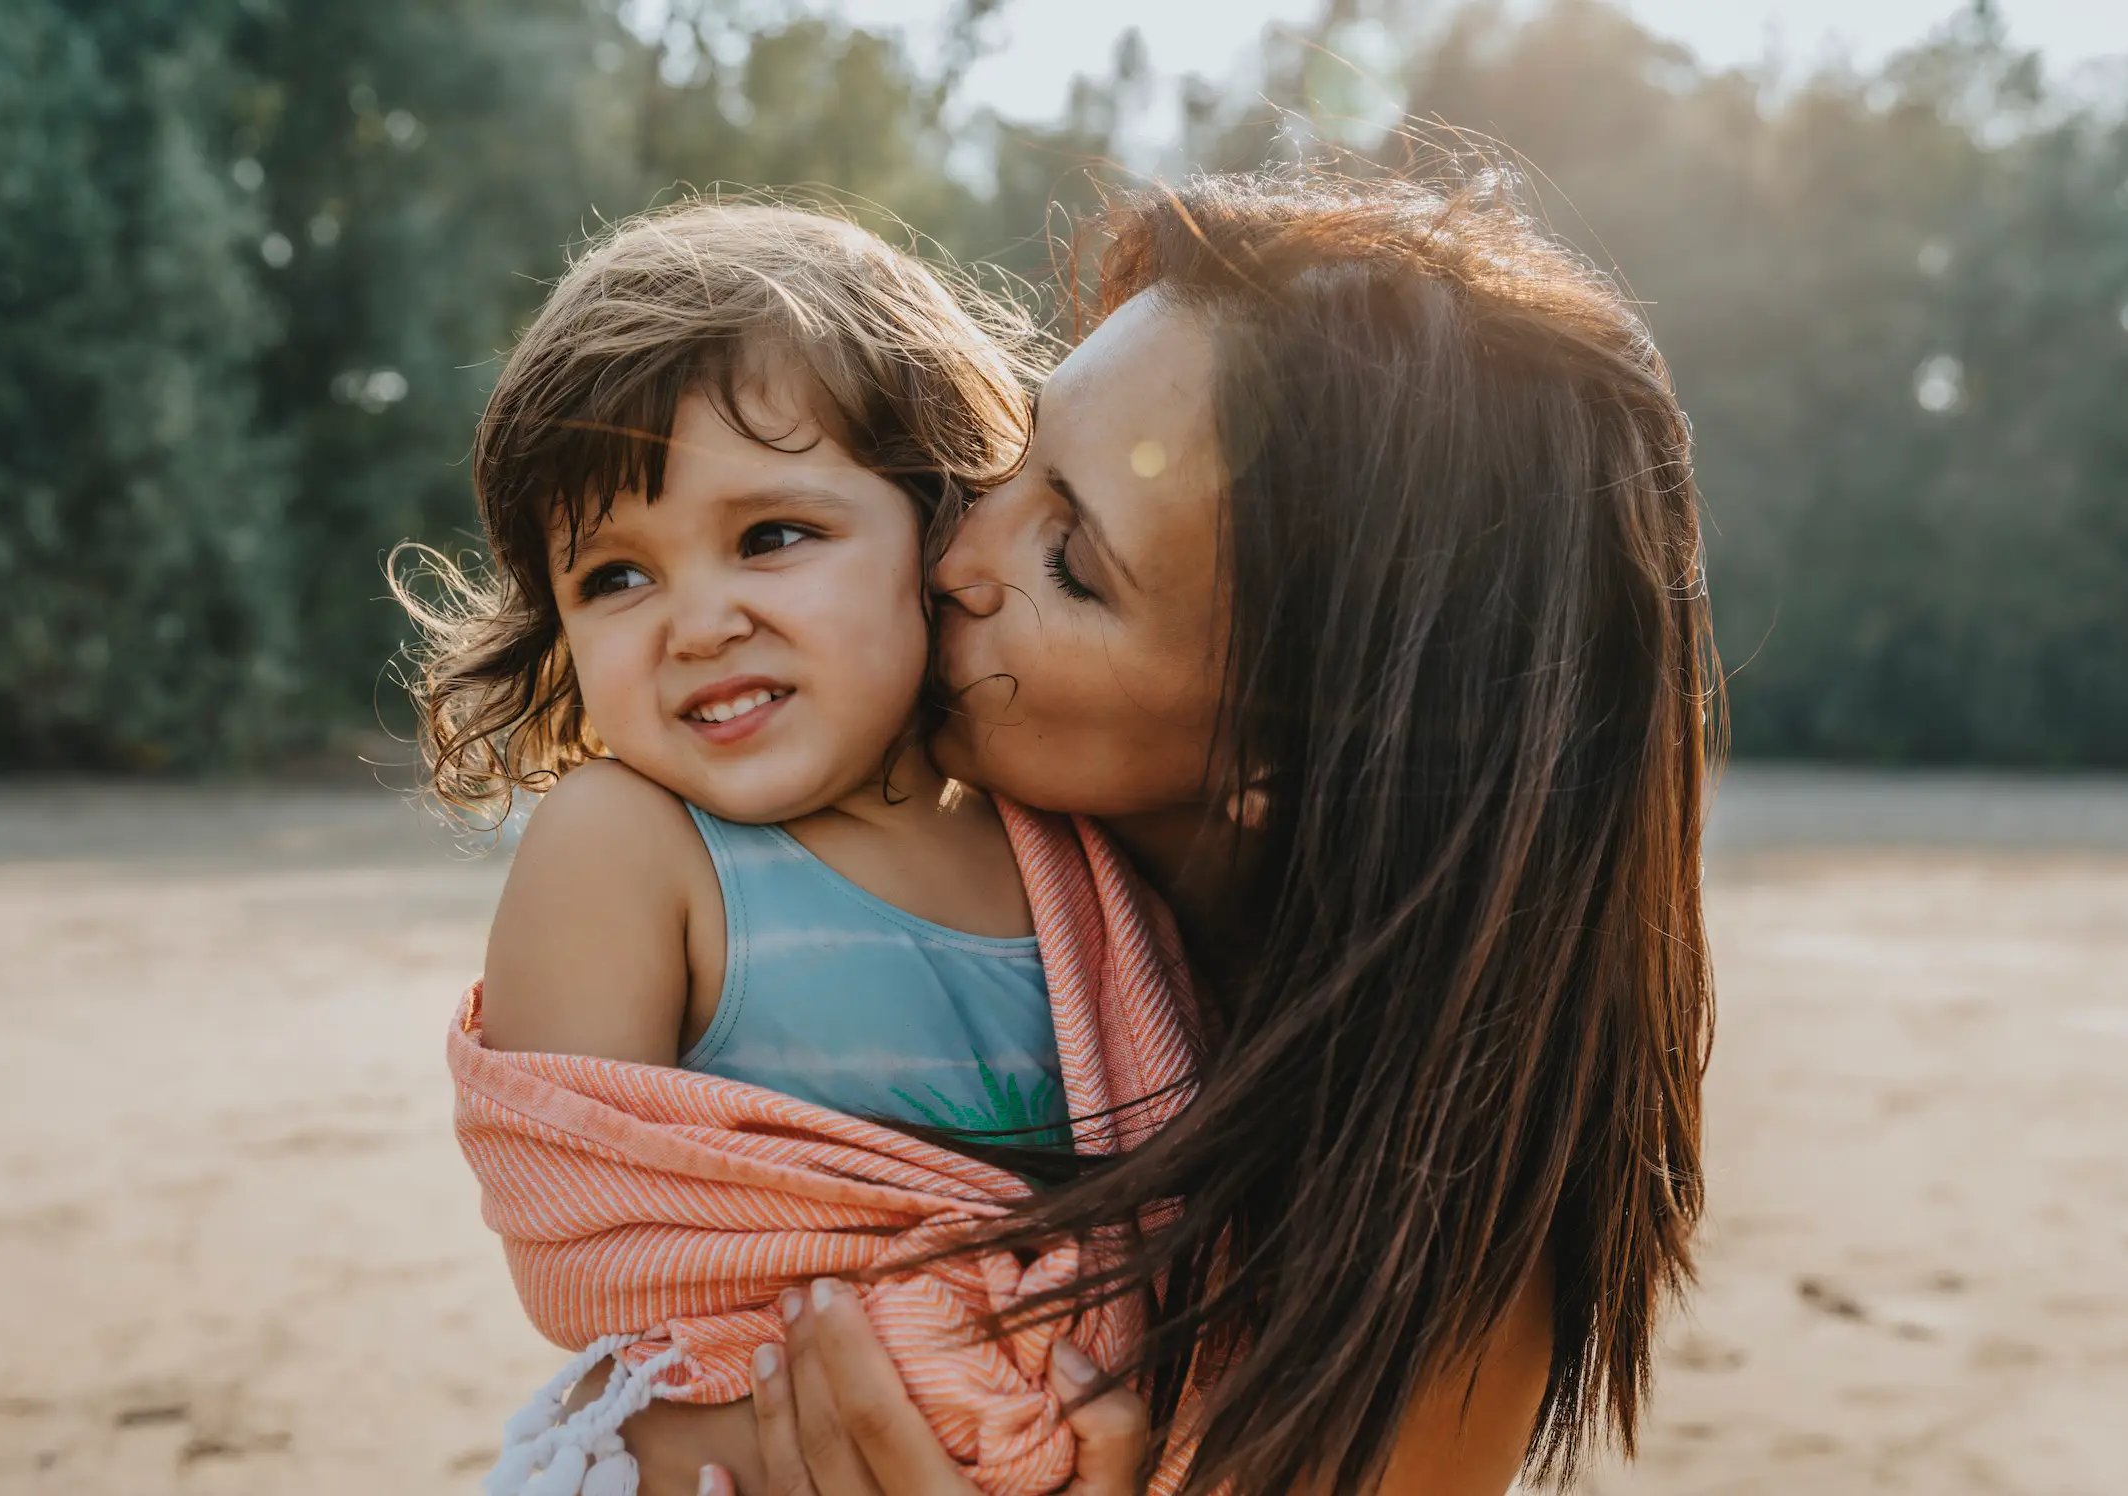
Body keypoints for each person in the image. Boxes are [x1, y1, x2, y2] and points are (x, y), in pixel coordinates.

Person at [676, 169, 1719, 1495]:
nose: (948, 555)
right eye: (1019, 455)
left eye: (1070, 561)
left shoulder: (1433, 1260)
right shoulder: (840, 860)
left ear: (1287, 755)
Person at [400, 199, 1192, 1493]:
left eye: (771, 536)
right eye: (613, 575)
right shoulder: (634, 846)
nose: (698, 622)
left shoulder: (1070, 854)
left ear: (941, 529)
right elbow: (594, 1231)